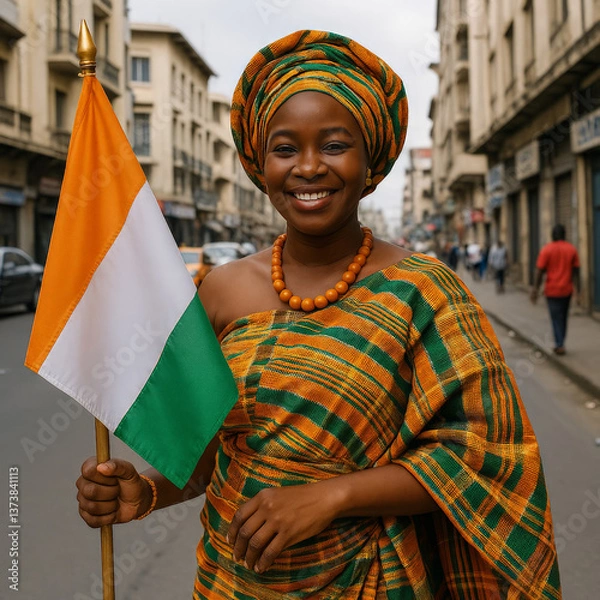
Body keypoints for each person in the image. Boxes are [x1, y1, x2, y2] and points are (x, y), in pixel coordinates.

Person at [76, 30, 560, 599]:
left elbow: (481, 461)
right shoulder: (220, 291)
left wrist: (334, 494)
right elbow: (205, 461)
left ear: (369, 158)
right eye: (285, 149)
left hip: (374, 583)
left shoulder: (426, 292)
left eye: (334, 145)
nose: (308, 168)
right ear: (260, 162)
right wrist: (147, 493)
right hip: (233, 583)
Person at [530, 224, 580, 355]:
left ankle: (559, 344)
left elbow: (539, 271)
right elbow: (576, 271)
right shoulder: (572, 249)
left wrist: (535, 289)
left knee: (556, 317)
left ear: (552, 235)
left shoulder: (547, 250)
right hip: (567, 290)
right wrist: (578, 290)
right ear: (564, 235)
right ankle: (561, 342)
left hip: (552, 291)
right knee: (563, 317)